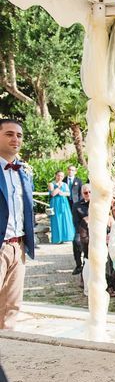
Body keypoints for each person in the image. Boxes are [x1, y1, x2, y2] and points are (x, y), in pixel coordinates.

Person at [0, 119, 35, 331]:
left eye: (19, 135)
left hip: (18, 246)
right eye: (9, 134)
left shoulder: (24, 172)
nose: (16, 139)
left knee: (11, 307)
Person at [48, 170, 75, 244]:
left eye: (62, 176)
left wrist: (63, 193)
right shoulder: (51, 184)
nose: (60, 177)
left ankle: (66, 237)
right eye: (58, 175)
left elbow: (68, 193)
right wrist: (58, 188)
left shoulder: (65, 184)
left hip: (64, 203)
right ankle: (57, 238)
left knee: (65, 218)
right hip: (55, 203)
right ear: (55, 175)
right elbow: (53, 194)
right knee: (57, 219)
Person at [72, 184, 91, 274]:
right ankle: (79, 265)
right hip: (82, 229)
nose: (88, 194)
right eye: (85, 192)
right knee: (76, 241)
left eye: (89, 192)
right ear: (82, 194)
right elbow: (76, 222)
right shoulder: (77, 206)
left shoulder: (97, 203)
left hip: (95, 229)